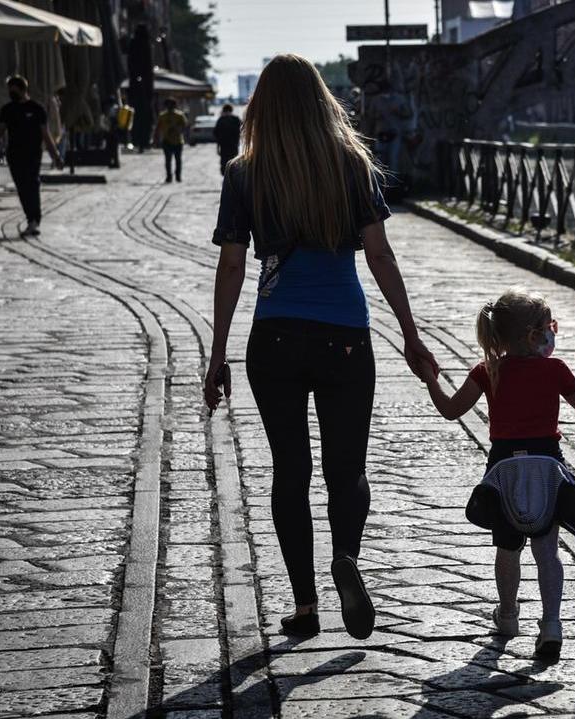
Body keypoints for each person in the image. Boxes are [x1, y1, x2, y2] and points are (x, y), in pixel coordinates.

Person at [204, 54, 435, 641]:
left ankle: (304, 606)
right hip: (347, 339)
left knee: (290, 471)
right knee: (346, 471)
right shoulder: (352, 164)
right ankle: (347, 560)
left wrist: (217, 354)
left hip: (275, 337)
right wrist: (410, 334)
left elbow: (232, 266)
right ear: (321, 101)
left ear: (261, 108)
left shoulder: (244, 174)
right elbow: (379, 255)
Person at [418, 290, 575, 660]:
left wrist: (431, 380)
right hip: (547, 464)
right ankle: (551, 625)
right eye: (550, 327)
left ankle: (509, 614)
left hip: (504, 469)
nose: (553, 333)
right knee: (547, 549)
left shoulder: (488, 371)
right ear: (534, 335)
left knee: (508, 547)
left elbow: (452, 409)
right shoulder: (555, 369)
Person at [0, 75, 64, 237]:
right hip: (14, 155)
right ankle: (30, 219)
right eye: (9, 91)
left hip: (33, 154)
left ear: (23, 89)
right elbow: (0, 132)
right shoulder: (7, 110)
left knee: (32, 185)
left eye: (14, 91)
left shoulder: (37, 109)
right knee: (22, 188)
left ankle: (34, 220)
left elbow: (46, 135)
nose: (11, 94)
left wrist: (56, 156)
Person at [155, 98, 188, 182]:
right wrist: (156, 139)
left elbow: (185, 127)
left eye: (171, 105)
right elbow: (158, 128)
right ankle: (169, 176)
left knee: (178, 160)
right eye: (168, 105)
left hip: (178, 141)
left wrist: (178, 129)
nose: (169, 107)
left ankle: (178, 176)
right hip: (166, 140)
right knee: (168, 160)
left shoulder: (180, 115)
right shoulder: (162, 116)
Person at [214, 104, 242, 176]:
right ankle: (233, 175)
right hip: (234, 145)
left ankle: (225, 176)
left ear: (224, 110)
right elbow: (242, 130)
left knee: (224, 162)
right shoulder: (236, 119)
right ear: (231, 110)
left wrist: (217, 147)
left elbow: (216, 134)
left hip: (223, 145)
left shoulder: (221, 120)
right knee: (234, 161)